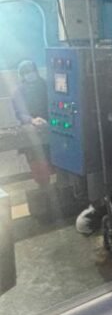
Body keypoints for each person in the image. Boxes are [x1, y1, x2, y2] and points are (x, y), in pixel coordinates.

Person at [12, 60, 52, 216]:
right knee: (38, 165)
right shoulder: (19, 92)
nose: (30, 75)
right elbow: (20, 113)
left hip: (49, 128)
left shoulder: (45, 86)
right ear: (22, 75)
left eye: (31, 71)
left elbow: (54, 102)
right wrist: (32, 120)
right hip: (31, 132)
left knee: (51, 162)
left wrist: (49, 119)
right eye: (26, 73)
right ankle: (44, 196)